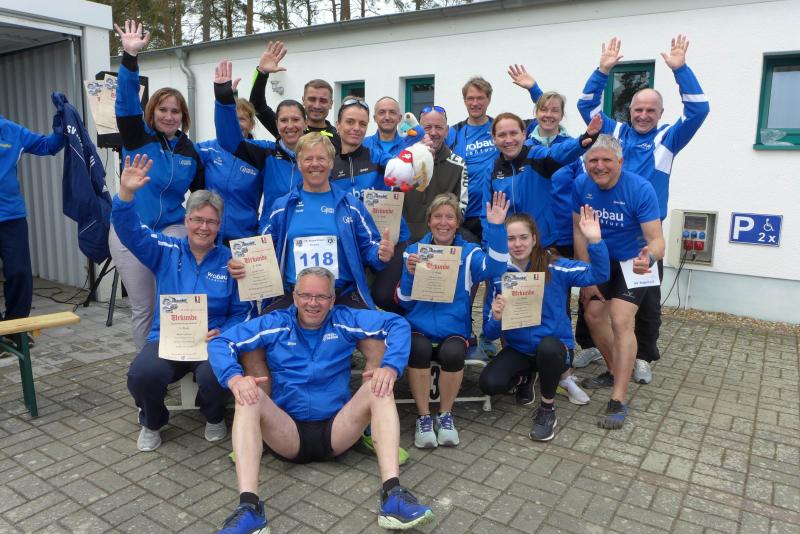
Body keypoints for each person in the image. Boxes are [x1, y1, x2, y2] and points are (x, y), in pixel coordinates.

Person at [208, 267, 434, 532]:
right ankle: (249, 508)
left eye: (321, 296)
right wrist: (234, 379)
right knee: (248, 395)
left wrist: (391, 367)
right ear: (295, 297)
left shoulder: (343, 318)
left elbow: (397, 324)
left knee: (379, 387)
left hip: (336, 431)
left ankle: (393, 496)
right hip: (287, 433)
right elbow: (220, 343)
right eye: (305, 295)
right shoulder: (275, 323)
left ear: (332, 299)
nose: (312, 303)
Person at [575, 35, 709, 382]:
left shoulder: (668, 138)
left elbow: (699, 110)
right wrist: (602, 71)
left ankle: (643, 356)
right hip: (604, 230)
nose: (644, 115)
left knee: (647, 303)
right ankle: (592, 345)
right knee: (592, 292)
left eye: (651, 110)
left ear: (660, 114)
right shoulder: (615, 131)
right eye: (638, 109)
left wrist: (681, 70)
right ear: (629, 111)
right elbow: (585, 106)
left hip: (644, 238)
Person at [114, 154, 253, 451]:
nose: (204, 227)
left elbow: (242, 312)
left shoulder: (232, 263)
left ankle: (213, 415)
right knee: (141, 375)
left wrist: (224, 332)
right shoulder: (165, 249)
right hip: (168, 340)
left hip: (211, 341)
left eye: (211, 222)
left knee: (218, 374)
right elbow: (130, 232)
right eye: (197, 219)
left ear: (219, 226)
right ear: (186, 221)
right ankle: (152, 420)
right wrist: (125, 194)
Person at [111, 20, 205, 351]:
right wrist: (130, 57)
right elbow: (125, 102)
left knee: (178, 298)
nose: (169, 116)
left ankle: (181, 356)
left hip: (171, 229)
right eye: (163, 109)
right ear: (152, 112)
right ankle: (147, 368)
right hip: (131, 229)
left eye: (175, 111)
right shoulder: (138, 137)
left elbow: (202, 196)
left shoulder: (189, 151)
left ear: (183, 116)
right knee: (145, 307)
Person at [479, 207, 609, 440]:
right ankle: (526, 376)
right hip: (520, 349)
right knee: (489, 383)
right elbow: (488, 334)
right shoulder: (499, 275)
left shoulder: (554, 266)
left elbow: (599, 275)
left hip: (555, 349)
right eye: (510, 238)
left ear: (534, 239)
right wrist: (497, 318)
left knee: (548, 348)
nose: (517, 244)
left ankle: (547, 409)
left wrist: (595, 241)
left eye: (523, 237)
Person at [397, 192, 509, 448]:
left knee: (453, 353)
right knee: (418, 349)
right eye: (437, 216)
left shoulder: (469, 253)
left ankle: (445, 415)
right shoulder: (413, 252)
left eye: (450, 217)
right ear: (429, 221)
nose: (443, 222)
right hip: (419, 327)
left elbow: (496, 268)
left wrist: (495, 227)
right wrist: (410, 275)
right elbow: (404, 301)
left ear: (457, 223)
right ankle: (424, 417)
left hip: (454, 328)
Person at [572, 135, 665, 429]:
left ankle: (618, 398)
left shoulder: (640, 189)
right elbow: (578, 232)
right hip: (600, 260)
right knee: (592, 314)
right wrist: (585, 275)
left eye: (606, 160)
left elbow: (657, 240)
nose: (599, 166)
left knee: (621, 320)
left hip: (634, 262)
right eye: (593, 160)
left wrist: (649, 257)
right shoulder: (581, 185)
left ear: (620, 162)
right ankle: (614, 370)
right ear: (585, 162)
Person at [214, 60, 306, 230]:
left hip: (307, 234)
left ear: (305, 123)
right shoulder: (266, 152)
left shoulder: (317, 155)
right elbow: (229, 141)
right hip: (272, 233)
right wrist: (223, 100)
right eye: (284, 120)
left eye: (295, 119)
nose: (290, 125)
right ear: (276, 124)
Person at [485, 112, 601, 247]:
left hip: (543, 243)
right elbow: (486, 213)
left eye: (513, 133)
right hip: (511, 245)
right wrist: (488, 246)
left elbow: (560, 151)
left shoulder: (536, 156)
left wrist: (582, 141)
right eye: (502, 135)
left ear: (524, 134)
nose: (509, 140)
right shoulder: (492, 169)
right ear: (494, 139)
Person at [0, 104, 65, 323]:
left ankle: (16, 326)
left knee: (19, 272)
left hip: (11, 217)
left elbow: (47, 146)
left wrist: (62, 128)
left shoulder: (11, 131)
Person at [197, 96, 262, 243]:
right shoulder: (208, 149)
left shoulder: (260, 155)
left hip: (244, 237)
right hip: (209, 235)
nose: (235, 124)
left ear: (251, 124)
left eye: (241, 119)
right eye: (231, 118)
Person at [248, 41, 339, 141]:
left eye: (323, 100)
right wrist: (262, 73)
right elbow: (257, 106)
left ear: (331, 104)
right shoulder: (289, 129)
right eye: (312, 99)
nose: (317, 105)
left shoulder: (339, 138)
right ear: (303, 100)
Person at [403, 106, 468, 242]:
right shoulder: (403, 161)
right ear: (418, 130)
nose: (433, 133)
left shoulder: (458, 164)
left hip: (441, 242)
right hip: (405, 240)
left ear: (447, 131)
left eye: (438, 127)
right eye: (427, 127)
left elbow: (461, 209)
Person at [446, 76, 496, 243]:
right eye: (470, 98)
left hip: (495, 213)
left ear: (489, 99)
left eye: (480, 98)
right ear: (465, 101)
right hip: (465, 215)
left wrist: (532, 89)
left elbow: (540, 120)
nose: (475, 103)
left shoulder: (500, 128)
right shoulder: (454, 132)